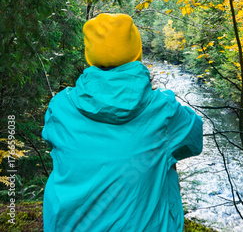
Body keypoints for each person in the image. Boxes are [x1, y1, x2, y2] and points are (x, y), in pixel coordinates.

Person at [42, 13, 203, 232]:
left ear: (90, 55)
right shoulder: (164, 111)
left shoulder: (59, 107)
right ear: (135, 52)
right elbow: (195, 139)